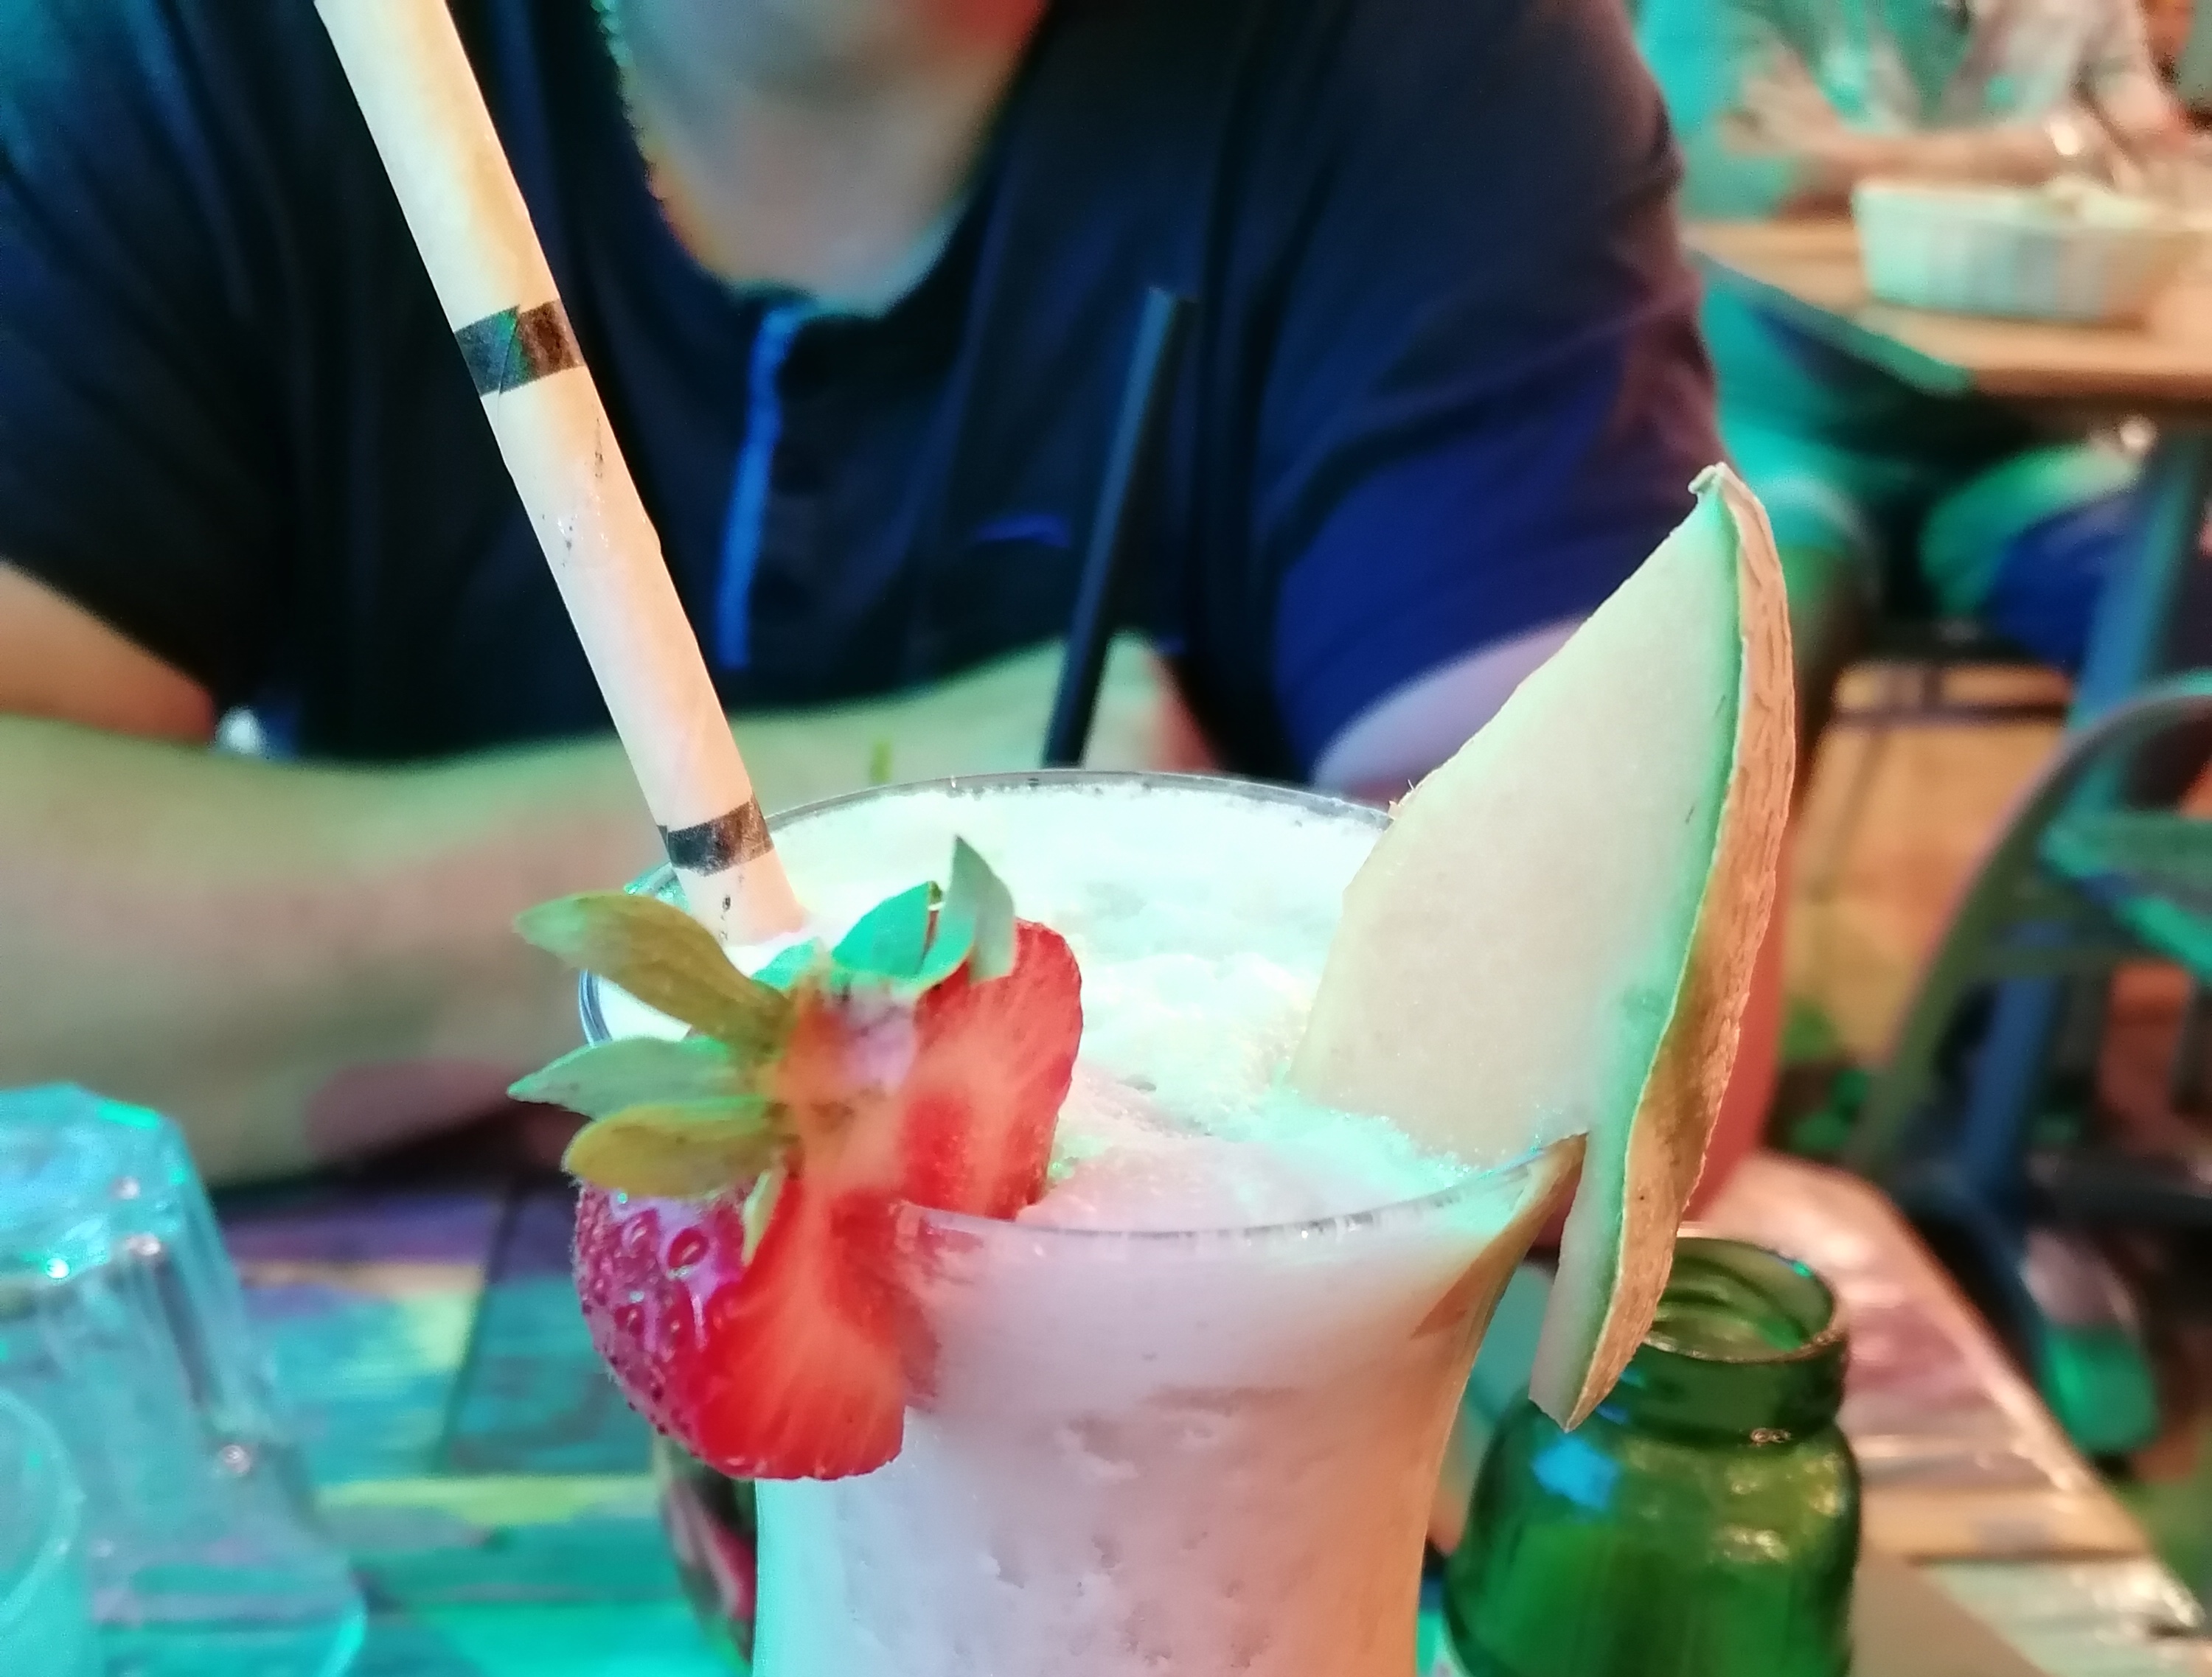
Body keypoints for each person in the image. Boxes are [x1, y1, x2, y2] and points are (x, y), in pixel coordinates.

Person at [0, 0, 1725, 1185]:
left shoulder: (1444, 67)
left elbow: (1613, 1044)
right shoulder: (204, 50)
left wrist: (340, 987)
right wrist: (939, 840)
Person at [1640, 0, 2196, 750]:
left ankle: (2080, 827)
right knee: (1749, 674)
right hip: (1782, 435)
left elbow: (2154, 158)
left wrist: (1876, 165)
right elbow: (1764, 177)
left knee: (2181, 625)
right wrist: (2051, 152)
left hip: (2025, 447)